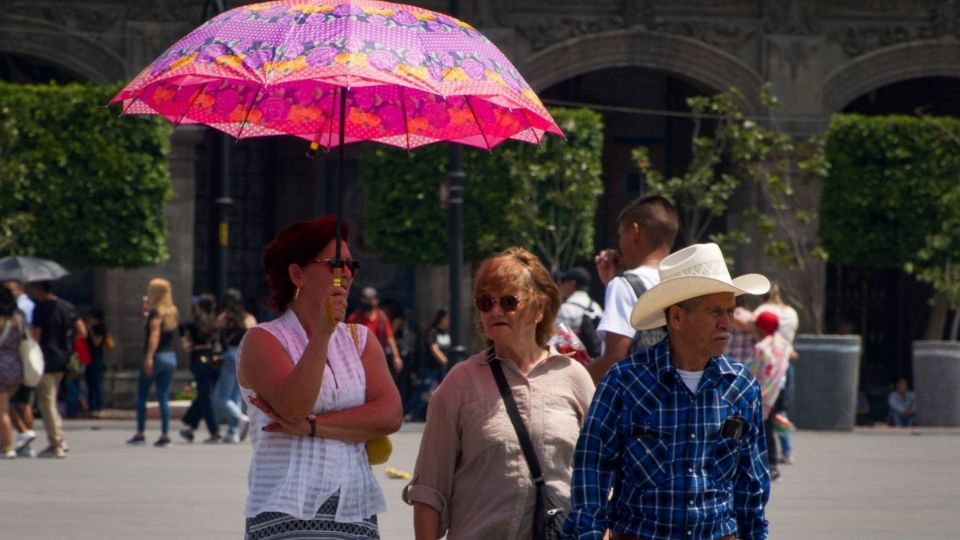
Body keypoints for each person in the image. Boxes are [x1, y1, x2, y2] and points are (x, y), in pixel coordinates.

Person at [566, 242, 771, 540]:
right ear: (676, 317)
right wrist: (588, 534)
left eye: (730, 310)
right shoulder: (626, 380)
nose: (726, 322)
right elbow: (593, 464)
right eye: (715, 311)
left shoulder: (741, 386)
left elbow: (751, 482)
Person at [403, 247, 595, 540]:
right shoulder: (460, 383)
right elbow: (429, 488)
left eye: (508, 301)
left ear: (540, 308)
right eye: (485, 302)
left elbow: (602, 477)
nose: (495, 311)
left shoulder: (573, 377)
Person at [237, 216, 402, 539]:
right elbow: (293, 406)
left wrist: (311, 427)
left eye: (352, 264)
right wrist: (322, 334)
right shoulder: (264, 339)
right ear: (297, 274)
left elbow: (390, 415)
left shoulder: (360, 340)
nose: (348, 273)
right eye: (335, 263)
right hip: (286, 513)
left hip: (354, 510)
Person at [588, 195, 678, 383]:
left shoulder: (624, 285)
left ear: (635, 231)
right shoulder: (684, 283)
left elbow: (614, 361)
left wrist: (571, 375)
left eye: (621, 235)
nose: (620, 244)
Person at [28, 280, 86, 458]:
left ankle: (57, 443)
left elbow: (36, 336)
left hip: (45, 357)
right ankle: (59, 438)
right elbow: (82, 331)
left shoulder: (41, 308)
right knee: (51, 399)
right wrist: (67, 340)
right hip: (63, 357)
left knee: (47, 403)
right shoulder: (67, 306)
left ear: (39, 289)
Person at [128, 278, 179, 447]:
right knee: (163, 396)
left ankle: (140, 432)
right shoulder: (172, 310)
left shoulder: (156, 312)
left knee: (142, 394)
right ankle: (165, 433)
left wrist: (149, 356)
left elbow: (154, 335)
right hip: (170, 356)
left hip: (157, 356)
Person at [752, 282, 799, 465]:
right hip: (783, 374)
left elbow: (757, 370)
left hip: (766, 384)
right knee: (779, 414)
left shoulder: (763, 311)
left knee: (765, 423)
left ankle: (768, 461)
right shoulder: (791, 312)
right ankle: (787, 451)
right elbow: (792, 350)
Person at [747, 311, 791, 481]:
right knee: (769, 428)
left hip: (763, 394)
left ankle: (769, 464)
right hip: (778, 391)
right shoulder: (783, 344)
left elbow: (756, 372)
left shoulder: (762, 347)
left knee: (763, 430)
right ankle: (771, 464)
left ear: (761, 328)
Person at [179, 294, 222, 443]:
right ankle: (190, 428)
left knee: (205, 395)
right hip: (215, 358)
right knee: (205, 394)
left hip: (200, 356)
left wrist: (185, 342)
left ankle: (214, 430)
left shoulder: (195, 322)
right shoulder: (216, 322)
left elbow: (181, 326)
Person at [217, 288, 257, 443]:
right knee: (236, 395)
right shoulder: (248, 317)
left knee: (223, 396)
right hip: (244, 355)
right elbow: (254, 334)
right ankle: (232, 431)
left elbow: (218, 336)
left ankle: (240, 418)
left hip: (229, 355)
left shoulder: (223, 318)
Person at [403, 309, 450, 421]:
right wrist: (445, 361)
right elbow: (434, 348)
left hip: (440, 369)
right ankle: (405, 412)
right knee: (424, 392)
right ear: (441, 319)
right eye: (447, 319)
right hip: (430, 368)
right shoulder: (433, 331)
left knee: (440, 392)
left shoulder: (446, 333)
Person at [347, 287, 402, 378]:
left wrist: (396, 356)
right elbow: (346, 337)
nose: (368, 302)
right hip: (359, 358)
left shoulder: (382, 318)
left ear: (376, 301)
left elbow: (389, 338)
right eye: (365, 299)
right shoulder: (355, 317)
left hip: (377, 357)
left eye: (370, 299)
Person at [556, 267, 603, 356]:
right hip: (597, 361)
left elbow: (560, 342)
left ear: (572, 283)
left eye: (564, 281)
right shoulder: (596, 307)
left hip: (575, 362)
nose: (561, 285)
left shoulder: (566, 308)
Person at [0, 286, 23, 458]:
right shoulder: (18, 318)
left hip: (1, 367)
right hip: (15, 367)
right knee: (6, 406)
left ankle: (8, 447)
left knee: (2, 412)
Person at [83, 308, 108, 418]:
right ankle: (91, 405)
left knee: (96, 382)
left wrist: (91, 330)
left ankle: (98, 406)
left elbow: (96, 342)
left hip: (96, 358)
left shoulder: (100, 328)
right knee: (90, 382)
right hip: (89, 358)